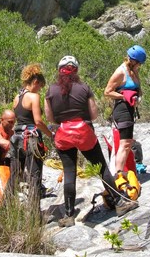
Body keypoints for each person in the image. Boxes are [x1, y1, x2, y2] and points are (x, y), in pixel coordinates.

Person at [46, 55, 137, 227]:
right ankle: (119, 203)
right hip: (84, 132)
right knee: (101, 167)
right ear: (76, 71)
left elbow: (50, 118)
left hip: (63, 134)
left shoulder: (51, 90)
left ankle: (68, 215)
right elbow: (94, 115)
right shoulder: (84, 87)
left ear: (59, 71)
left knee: (70, 172)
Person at [10, 63, 53, 207]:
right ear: (35, 82)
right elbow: (38, 122)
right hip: (30, 139)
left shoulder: (17, 98)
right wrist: (51, 134)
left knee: (14, 175)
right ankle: (35, 215)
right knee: (35, 176)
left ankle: (6, 207)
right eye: (40, 86)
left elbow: (17, 118)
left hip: (17, 139)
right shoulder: (34, 97)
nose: (40, 89)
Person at [103, 45, 146, 174]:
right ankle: (119, 174)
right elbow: (107, 92)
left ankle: (122, 171)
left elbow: (137, 88)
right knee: (125, 143)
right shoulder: (121, 72)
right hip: (122, 109)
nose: (140, 66)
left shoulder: (133, 71)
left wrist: (137, 95)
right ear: (134, 61)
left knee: (127, 143)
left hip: (130, 109)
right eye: (139, 63)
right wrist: (124, 96)